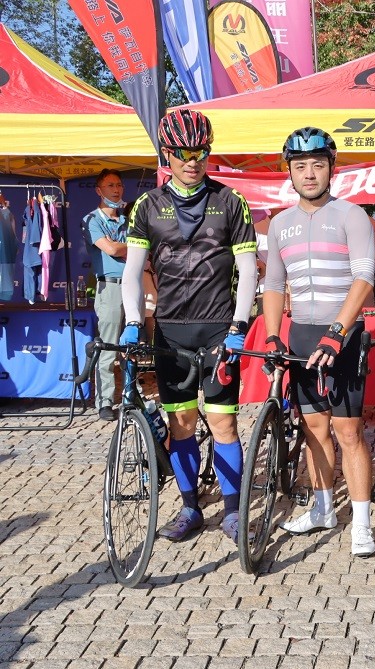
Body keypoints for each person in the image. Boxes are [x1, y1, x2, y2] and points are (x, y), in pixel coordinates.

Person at [120, 109, 257, 543]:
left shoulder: (231, 201)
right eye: (182, 153)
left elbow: (248, 269)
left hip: (218, 328)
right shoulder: (148, 205)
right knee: (180, 423)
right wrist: (132, 322)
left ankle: (232, 512)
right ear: (167, 154)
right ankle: (189, 508)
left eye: (200, 152)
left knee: (222, 424)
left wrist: (239, 324)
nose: (192, 161)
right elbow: (132, 271)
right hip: (170, 330)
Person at [261, 127, 375, 556]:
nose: (309, 174)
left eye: (317, 165)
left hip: (343, 335)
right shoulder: (280, 224)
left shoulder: (351, 215)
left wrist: (338, 331)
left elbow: (364, 276)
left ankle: (361, 523)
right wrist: (273, 335)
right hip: (302, 335)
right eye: (300, 166)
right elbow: (274, 284)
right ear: (290, 172)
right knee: (313, 429)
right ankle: (323, 508)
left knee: (349, 432)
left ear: (332, 168)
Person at [82, 169, 128, 421]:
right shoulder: (91, 219)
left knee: (132, 345)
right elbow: (110, 249)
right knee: (108, 347)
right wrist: (125, 247)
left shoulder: (127, 218)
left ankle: (131, 396)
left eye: (119, 184)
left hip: (133, 284)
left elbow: (143, 248)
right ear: (99, 190)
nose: (116, 189)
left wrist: (123, 247)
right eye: (110, 185)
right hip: (109, 287)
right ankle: (105, 401)